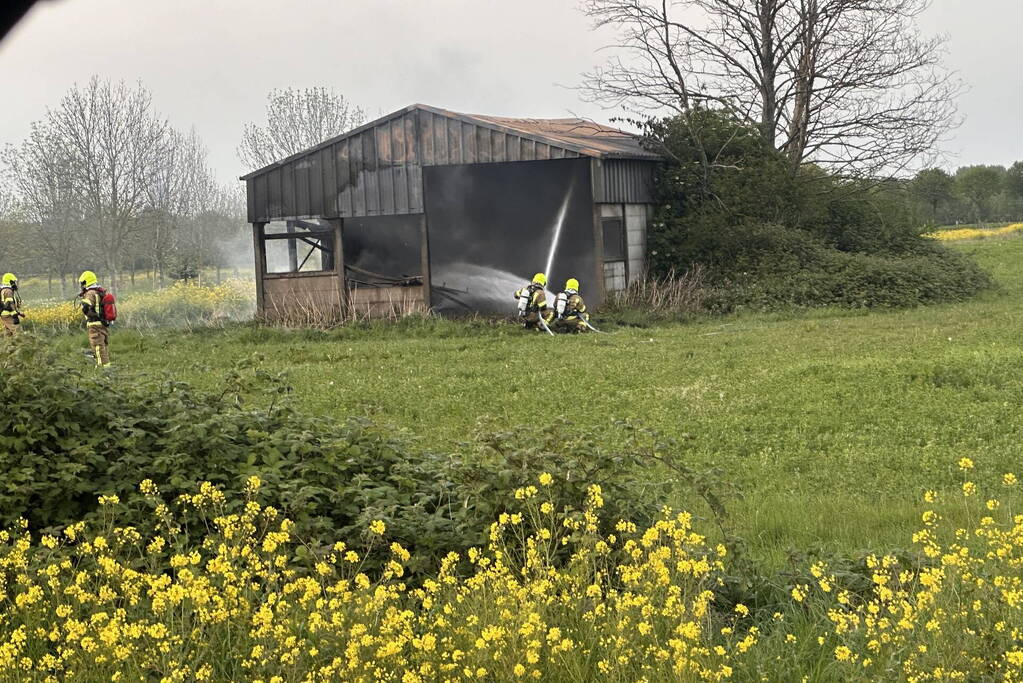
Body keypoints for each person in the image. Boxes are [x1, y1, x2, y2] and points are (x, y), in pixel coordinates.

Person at [79, 270, 111, 367]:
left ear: (86, 282)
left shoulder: (91, 293)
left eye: (82, 283)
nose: (82, 286)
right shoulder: (99, 291)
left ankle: (103, 369)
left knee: (97, 346)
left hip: (94, 325)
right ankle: (105, 366)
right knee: (103, 346)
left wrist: (84, 304)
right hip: (102, 323)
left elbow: (87, 304)